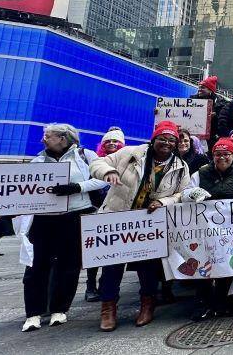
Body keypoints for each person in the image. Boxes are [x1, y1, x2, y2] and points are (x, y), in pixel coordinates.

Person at [89, 121, 191, 331]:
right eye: (162, 138)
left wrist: (163, 202)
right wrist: (108, 171)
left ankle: (147, 306)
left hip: (149, 225)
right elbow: (97, 164)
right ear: (154, 139)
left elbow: (182, 193)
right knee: (112, 268)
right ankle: (108, 309)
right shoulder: (129, 154)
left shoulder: (181, 167)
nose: (167, 143)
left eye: (172, 140)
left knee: (148, 269)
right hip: (117, 219)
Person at [21, 124, 105, 332]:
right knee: (36, 265)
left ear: (62, 138)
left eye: (48, 136)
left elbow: (102, 179)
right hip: (43, 218)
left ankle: (60, 309)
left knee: (69, 264)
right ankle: (33, 312)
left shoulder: (86, 156)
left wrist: (78, 187)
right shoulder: (37, 161)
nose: (44, 139)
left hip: (74, 216)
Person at [182, 137, 233, 321]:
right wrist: (193, 193)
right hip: (207, 229)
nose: (222, 158)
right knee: (205, 265)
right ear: (213, 156)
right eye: (218, 154)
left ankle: (224, 303)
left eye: (226, 154)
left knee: (228, 263)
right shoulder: (201, 173)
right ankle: (204, 303)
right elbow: (185, 193)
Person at [81, 127, 125, 302]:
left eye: (116, 141)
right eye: (109, 141)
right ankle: (90, 285)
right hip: (95, 210)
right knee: (94, 252)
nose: (112, 144)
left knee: (116, 254)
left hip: (117, 211)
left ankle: (106, 286)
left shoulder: (127, 163)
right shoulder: (94, 161)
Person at [192, 76, 224, 150]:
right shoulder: (191, 100)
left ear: (210, 90)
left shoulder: (221, 103)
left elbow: (223, 120)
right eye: (199, 87)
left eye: (203, 88)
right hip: (195, 135)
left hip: (212, 137)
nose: (200, 89)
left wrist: (215, 116)